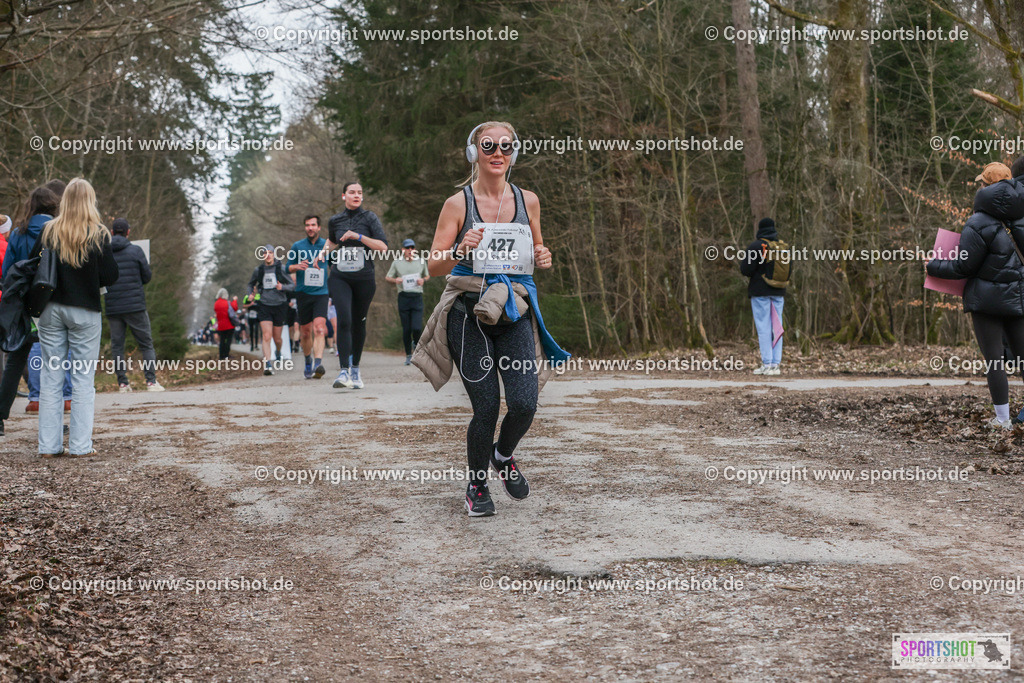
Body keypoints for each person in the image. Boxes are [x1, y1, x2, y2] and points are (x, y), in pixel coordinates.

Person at [414, 121, 568, 517]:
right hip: (468, 314)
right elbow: (432, 267)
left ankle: (503, 454)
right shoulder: (457, 204)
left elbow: (534, 251)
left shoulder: (528, 200)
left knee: (524, 404)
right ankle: (477, 486)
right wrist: (460, 248)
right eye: (488, 145)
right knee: (485, 409)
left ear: (513, 153)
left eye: (506, 145)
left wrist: (543, 256)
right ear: (474, 152)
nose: (497, 152)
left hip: (514, 311)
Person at [928, 162, 1024, 429]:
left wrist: (933, 265)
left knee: (995, 360)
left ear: (986, 187)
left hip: (986, 302)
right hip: (1019, 297)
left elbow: (963, 266)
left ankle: (1003, 420)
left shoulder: (977, 221)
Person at [34, 178, 118, 457]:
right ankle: (80, 447)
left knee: (51, 377)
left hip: (51, 310)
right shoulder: (98, 233)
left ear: (65, 201)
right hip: (85, 312)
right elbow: (110, 276)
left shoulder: (48, 231)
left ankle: (48, 445)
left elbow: (34, 268)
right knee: (83, 379)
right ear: (90, 201)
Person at [0, 187, 65, 436]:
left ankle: (0, 418)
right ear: (53, 206)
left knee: (15, 363)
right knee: (54, 362)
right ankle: (53, 424)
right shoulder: (61, 231)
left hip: (26, 307)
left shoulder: (18, 233)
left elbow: (8, 272)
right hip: (55, 304)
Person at [318, 182, 388, 389]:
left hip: (364, 278)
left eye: (360, 192)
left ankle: (355, 370)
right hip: (340, 277)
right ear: (344, 196)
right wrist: (321, 255)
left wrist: (358, 236)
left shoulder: (370, 218)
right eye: (352, 192)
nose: (356, 195)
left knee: (359, 323)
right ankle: (343, 372)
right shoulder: (335, 220)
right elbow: (332, 242)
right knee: (344, 320)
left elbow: (383, 246)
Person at [105, 218, 163, 392]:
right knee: (146, 344)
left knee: (117, 346)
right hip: (135, 305)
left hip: (113, 306)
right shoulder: (136, 251)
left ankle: (123, 383)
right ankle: (151, 382)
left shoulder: (104, 252)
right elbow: (147, 277)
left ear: (112, 232)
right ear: (128, 232)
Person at [739, 218, 788, 376]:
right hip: (779, 292)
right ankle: (775, 365)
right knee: (777, 328)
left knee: (764, 328)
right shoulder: (782, 247)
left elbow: (745, 269)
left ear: (760, 229)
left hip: (760, 293)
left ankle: (766, 364)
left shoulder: (756, 246)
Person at [287, 215, 329, 379]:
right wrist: (296, 266)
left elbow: (336, 264)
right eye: (307, 225)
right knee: (305, 332)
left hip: (321, 293)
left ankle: (318, 364)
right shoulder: (297, 246)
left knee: (319, 328)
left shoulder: (326, 246)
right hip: (303, 293)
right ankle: (307, 360)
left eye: (313, 225)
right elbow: (287, 268)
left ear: (319, 227)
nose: (310, 228)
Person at [248, 246, 294, 375]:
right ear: (262, 255)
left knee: (277, 338)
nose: (267, 255)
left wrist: (282, 287)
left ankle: (278, 352)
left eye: (270, 253)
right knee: (266, 335)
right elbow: (250, 284)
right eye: (265, 253)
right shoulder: (259, 270)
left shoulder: (282, 268)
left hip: (279, 305)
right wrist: (250, 294)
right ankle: (267, 364)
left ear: (274, 254)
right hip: (264, 305)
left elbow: (292, 286)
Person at [386, 238, 430, 364]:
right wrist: (396, 280)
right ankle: (408, 355)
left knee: (416, 328)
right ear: (403, 250)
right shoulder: (397, 262)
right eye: (407, 248)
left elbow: (427, 275)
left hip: (417, 297)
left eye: (412, 248)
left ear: (414, 249)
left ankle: (416, 344)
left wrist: (423, 280)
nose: (410, 250)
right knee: (406, 329)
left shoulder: (421, 261)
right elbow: (387, 277)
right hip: (403, 297)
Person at [213, 288, 239, 360]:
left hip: (221, 325)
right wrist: (235, 300)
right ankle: (226, 355)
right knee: (228, 340)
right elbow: (235, 308)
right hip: (229, 325)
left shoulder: (216, 304)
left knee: (222, 340)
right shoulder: (227, 303)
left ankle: (221, 356)